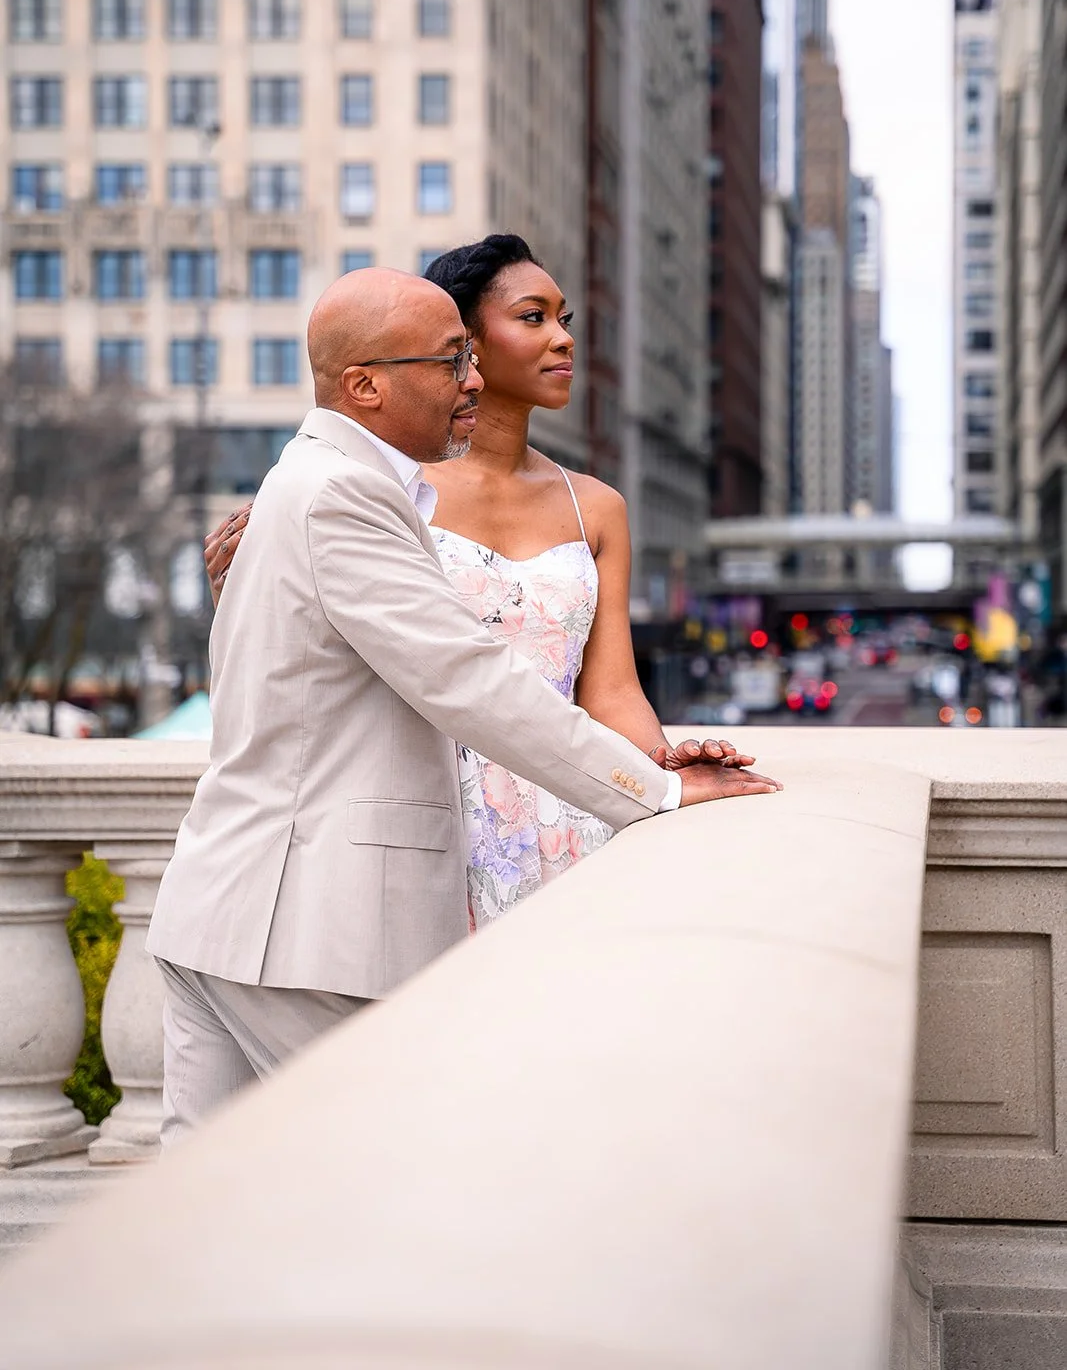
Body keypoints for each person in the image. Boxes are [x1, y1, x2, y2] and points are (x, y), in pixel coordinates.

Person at [152, 266, 780, 1145]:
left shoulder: (314, 482)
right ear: (365, 384)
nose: (473, 381)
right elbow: (467, 678)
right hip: (299, 927)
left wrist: (651, 762)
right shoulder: (342, 494)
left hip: (221, 910)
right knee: (388, 1180)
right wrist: (661, 794)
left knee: (205, 1216)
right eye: (452, 362)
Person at [206, 237, 779, 931]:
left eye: (565, 319)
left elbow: (609, 691)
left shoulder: (595, 506)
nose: (563, 340)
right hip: (418, 823)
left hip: (569, 820)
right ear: (464, 348)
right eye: (533, 318)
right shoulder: (372, 492)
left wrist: (668, 774)